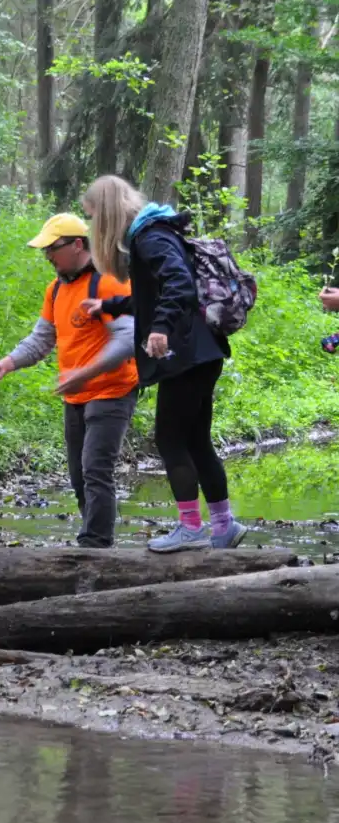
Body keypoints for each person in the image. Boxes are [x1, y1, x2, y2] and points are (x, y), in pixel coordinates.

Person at [80, 175, 245, 552]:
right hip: (204, 350)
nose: (92, 226)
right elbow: (152, 295)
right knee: (197, 440)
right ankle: (223, 526)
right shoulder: (155, 230)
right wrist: (108, 305)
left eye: (91, 217)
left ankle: (191, 529)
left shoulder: (149, 237)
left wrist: (160, 329)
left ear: (105, 214)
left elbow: (179, 285)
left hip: (184, 354)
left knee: (170, 439)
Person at [0, 214, 138, 548]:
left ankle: (95, 546)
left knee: (96, 470)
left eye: (52, 249)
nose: (47, 256)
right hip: (76, 396)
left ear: (77, 244)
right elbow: (41, 339)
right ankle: (96, 541)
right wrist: (6, 364)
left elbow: (127, 339)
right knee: (79, 478)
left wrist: (85, 373)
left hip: (112, 391)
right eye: (45, 251)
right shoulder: (55, 290)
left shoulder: (108, 282)